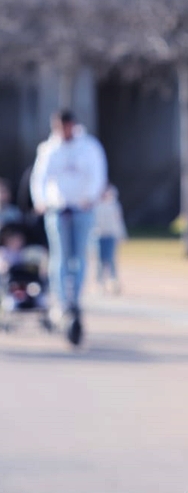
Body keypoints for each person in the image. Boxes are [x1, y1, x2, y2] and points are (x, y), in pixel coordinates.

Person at [29, 109, 108, 329]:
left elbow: (98, 175)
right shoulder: (49, 149)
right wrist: (41, 201)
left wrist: (89, 197)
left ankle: (76, 299)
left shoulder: (89, 147)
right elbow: (40, 178)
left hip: (82, 209)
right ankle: (62, 300)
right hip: (58, 210)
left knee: (79, 256)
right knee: (60, 256)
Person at [93, 183, 127, 294]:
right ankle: (100, 283)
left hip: (111, 235)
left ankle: (113, 281)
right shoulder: (95, 205)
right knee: (99, 261)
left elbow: (118, 221)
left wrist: (122, 234)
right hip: (98, 236)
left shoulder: (114, 205)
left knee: (111, 259)